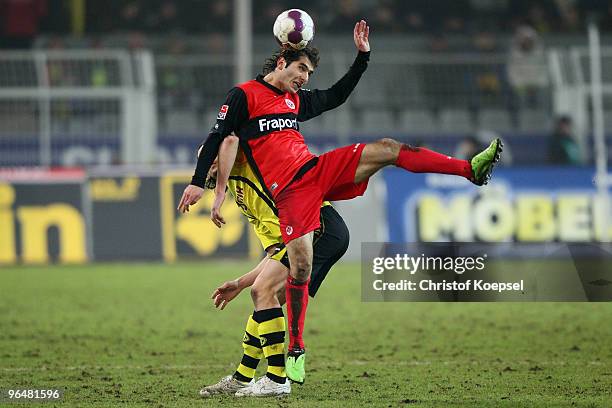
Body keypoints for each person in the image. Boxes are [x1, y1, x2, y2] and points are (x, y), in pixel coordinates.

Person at [178, 20, 503, 384]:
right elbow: (221, 136)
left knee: (387, 148)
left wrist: (362, 58)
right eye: (302, 68)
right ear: (282, 60)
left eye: (310, 71)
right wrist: (202, 184)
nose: (306, 77)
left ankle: (469, 170)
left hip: (313, 172)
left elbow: (335, 96)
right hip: (291, 194)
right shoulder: (245, 96)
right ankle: (265, 369)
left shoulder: (293, 102)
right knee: (271, 288)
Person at [198, 135, 349, 397]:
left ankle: (276, 379)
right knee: (264, 296)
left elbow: (232, 139)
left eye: (213, 154)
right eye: (205, 158)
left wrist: (224, 129)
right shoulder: (240, 194)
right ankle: (243, 377)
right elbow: (276, 251)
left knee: (262, 292)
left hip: (321, 227)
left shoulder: (248, 163)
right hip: (314, 234)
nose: (211, 160)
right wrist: (239, 283)